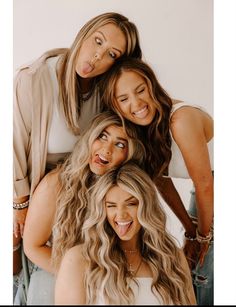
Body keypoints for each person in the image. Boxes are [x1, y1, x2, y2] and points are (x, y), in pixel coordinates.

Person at [13, 11, 142, 297]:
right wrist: (19, 204)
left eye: (111, 53)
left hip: (84, 193)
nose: (97, 57)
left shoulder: (104, 90)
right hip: (39, 193)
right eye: (97, 41)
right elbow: (13, 147)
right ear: (84, 33)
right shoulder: (34, 79)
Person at [100, 57, 214, 305]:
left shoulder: (180, 120)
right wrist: (190, 231)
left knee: (205, 271)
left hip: (212, 187)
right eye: (124, 99)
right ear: (116, 106)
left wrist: (204, 237)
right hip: (203, 192)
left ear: (153, 85)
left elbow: (206, 184)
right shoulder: (144, 130)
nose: (137, 103)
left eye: (141, 90)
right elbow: (161, 181)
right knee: (196, 270)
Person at [21, 111, 145, 305]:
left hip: (106, 277)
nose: (106, 149)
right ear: (90, 138)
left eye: (120, 144)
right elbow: (32, 247)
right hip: (53, 270)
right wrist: (76, 275)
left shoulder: (122, 190)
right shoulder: (56, 184)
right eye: (102, 136)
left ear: (129, 155)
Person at [55, 162, 196, 305]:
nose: (121, 215)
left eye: (131, 204)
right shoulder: (80, 258)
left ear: (146, 206)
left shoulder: (172, 258)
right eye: (111, 206)